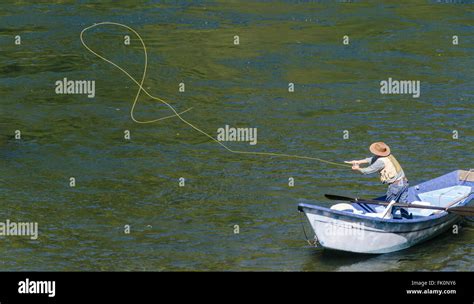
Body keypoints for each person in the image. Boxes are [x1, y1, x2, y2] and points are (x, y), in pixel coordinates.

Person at [346, 142, 410, 218]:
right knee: (403, 203)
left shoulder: (380, 162)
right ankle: (406, 218)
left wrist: (357, 169)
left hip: (396, 185)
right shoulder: (389, 156)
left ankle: (388, 220)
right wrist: (357, 161)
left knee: (389, 205)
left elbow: (367, 171)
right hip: (404, 182)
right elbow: (371, 159)